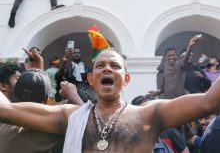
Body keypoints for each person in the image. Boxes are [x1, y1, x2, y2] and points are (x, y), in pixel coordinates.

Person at [2, 48, 220, 152]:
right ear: (91, 79)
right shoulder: (70, 116)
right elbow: (7, 111)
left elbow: (209, 102)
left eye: (115, 66)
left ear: (126, 79)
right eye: (100, 65)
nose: (107, 68)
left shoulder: (150, 114)